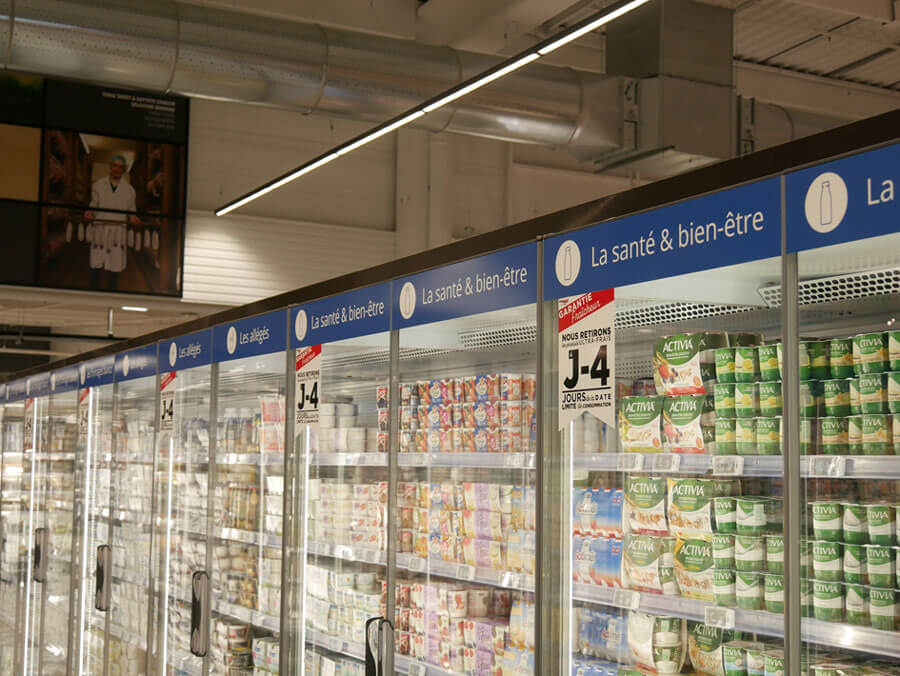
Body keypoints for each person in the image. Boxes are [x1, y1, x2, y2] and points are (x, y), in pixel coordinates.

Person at [84, 155, 140, 286]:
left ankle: (112, 290)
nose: (117, 169)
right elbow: (94, 202)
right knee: (97, 262)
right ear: (110, 167)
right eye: (115, 166)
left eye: (121, 167)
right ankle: (94, 288)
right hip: (101, 227)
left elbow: (131, 209)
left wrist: (133, 217)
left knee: (114, 262)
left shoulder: (130, 190)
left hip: (118, 229)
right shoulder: (98, 185)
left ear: (124, 170)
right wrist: (89, 211)